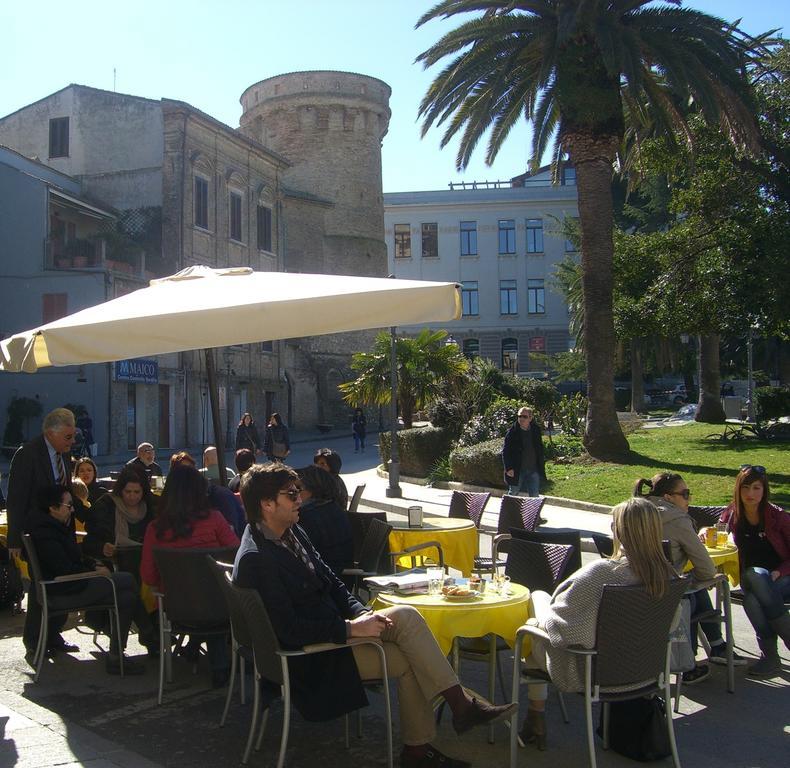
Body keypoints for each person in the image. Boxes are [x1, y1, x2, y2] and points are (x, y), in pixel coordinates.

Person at [233, 463, 516, 768]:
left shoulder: (290, 531)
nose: (299, 498)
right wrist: (351, 629)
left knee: (406, 616)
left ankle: (453, 715)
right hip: (313, 658)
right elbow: (288, 630)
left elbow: (332, 582)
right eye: (291, 494)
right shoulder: (257, 558)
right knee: (410, 658)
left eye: (298, 491)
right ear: (267, 504)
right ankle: (428, 741)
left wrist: (363, 614)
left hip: (332, 638)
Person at [517, 497, 678, 750]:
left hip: (592, 671)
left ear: (619, 531)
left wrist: (540, 616)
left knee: (534, 609)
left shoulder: (602, 574)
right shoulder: (668, 575)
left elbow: (566, 632)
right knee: (540, 616)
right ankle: (534, 716)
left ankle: (535, 714)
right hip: (644, 670)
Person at [634, 472, 746, 683]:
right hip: (668, 596)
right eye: (685, 494)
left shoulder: (632, 513)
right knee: (697, 584)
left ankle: (716, 646)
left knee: (689, 583)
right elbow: (706, 568)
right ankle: (705, 653)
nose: (689, 499)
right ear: (668, 497)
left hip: (632, 592)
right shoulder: (676, 520)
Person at [140, 464, 240, 687]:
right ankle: (218, 665)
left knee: (197, 597)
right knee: (209, 596)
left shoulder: (155, 529)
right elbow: (236, 556)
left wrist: (171, 585)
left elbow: (148, 575)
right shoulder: (215, 520)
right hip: (218, 605)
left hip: (177, 607)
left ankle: (194, 649)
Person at [29, 484, 144, 674]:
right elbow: (64, 570)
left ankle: (120, 652)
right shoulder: (45, 533)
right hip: (64, 590)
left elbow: (77, 556)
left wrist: (93, 565)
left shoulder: (55, 525)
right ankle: (143, 637)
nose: (72, 509)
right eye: (68, 505)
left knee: (127, 596)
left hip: (72, 584)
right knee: (127, 581)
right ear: (53, 507)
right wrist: (95, 573)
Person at [6, 407, 83, 654]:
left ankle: (53, 635)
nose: (72, 442)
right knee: (42, 585)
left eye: (73, 436)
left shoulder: (63, 456)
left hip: (62, 530)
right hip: (38, 532)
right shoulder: (28, 455)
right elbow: (16, 498)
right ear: (51, 433)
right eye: (68, 437)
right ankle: (34, 640)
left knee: (59, 584)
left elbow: (66, 491)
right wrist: (14, 538)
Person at [719, 465, 790, 677]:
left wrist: (779, 572)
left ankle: (770, 658)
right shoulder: (732, 515)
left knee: (752, 599)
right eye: (746, 487)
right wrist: (706, 532)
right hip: (754, 579)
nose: (750, 494)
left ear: (764, 490)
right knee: (755, 574)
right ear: (738, 490)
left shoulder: (778, 517)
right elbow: (718, 530)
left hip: (783, 577)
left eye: (756, 488)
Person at [82, 465, 159, 654]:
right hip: (113, 566)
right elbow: (89, 542)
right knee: (130, 584)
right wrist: (103, 547)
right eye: (128, 492)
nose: (132, 496)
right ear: (120, 490)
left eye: (137, 492)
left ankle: (148, 633)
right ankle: (149, 633)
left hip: (146, 564)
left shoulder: (151, 507)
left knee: (140, 581)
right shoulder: (105, 507)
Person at [296, 465, 354, 577]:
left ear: (314, 489)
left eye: (298, 489)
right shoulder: (333, 507)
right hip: (339, 574)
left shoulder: (307, 515)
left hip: (328, 579)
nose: (294, 494)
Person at [171, 452, 246, 537]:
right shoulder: (216, 516)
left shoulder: (220, 499)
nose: (189, 476)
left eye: (191, 470)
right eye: (183, 473)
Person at [501, 406, 546, 497]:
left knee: (534, 495)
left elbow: (539, 448)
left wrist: (541, 462)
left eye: (524, 417)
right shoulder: (512, 432)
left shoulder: (535, 430)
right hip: (517, 470)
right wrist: (509, 468)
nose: (521, 418)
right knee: (513, 494)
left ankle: (533, 511)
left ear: (530, 418)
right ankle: (508, 511)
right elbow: (506, 451)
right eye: (519, 416)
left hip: (533, 469)